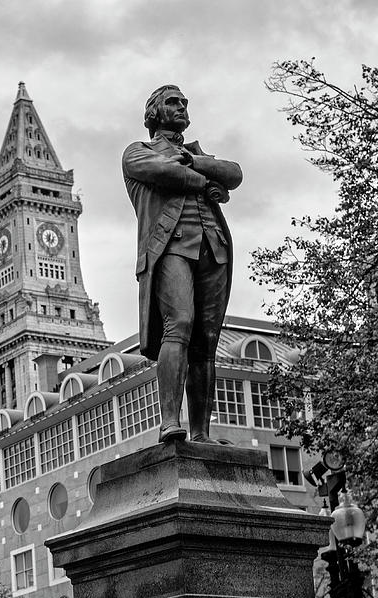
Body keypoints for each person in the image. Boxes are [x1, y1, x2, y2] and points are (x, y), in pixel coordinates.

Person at [122, 85, 243, 443]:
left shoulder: (195, 154)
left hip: (213, 249)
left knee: (206, 341)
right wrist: (205, 179)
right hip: (171, 246)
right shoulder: (138, 152)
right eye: (173, 102)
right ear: (154, 112)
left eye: (184, 102)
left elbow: (234, 173)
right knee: (181, 325)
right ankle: (170, 423)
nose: (182, 107)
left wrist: (196, 162)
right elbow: (163, 173)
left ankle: (202, 433)